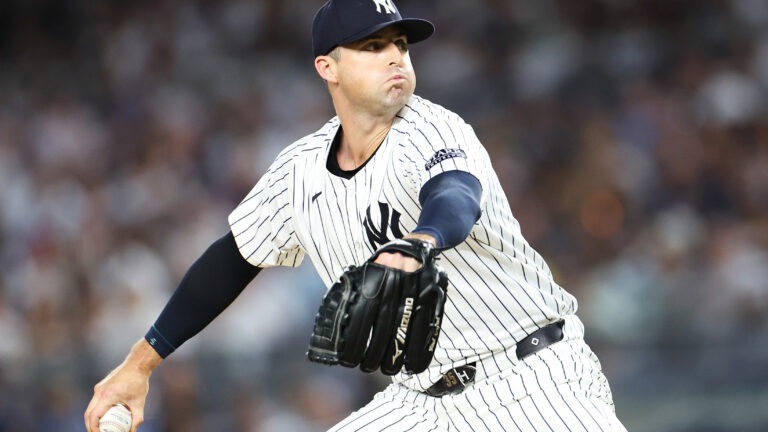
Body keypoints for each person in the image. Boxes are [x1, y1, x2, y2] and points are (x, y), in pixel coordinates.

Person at [85, 0, 627, 430]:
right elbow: (232, 259)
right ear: (329, 67)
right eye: (372, 46)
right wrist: (141, 362)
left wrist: (421, 240)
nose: (395, 56)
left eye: (399, 44)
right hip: (419, 404)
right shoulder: (299, 171)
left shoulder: (433, 128)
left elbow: (456, 194)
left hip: (531, 377)